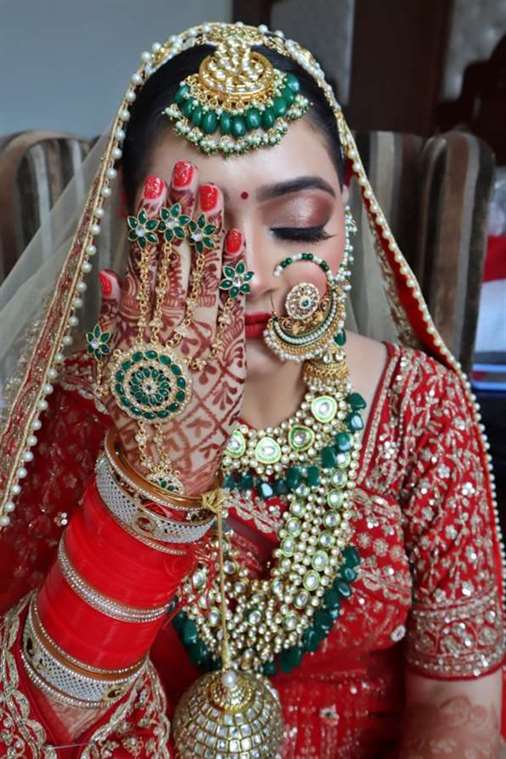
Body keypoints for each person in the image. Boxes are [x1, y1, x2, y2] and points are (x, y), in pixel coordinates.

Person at [0, 21, 503, 759]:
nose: (253, 275)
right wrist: (155, 480)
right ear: (131, 229)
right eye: (195, 233)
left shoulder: (421, 408)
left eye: (297, 226)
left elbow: (459, 707)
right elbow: (34, 726)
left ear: (346, 220)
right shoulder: (73, 413)